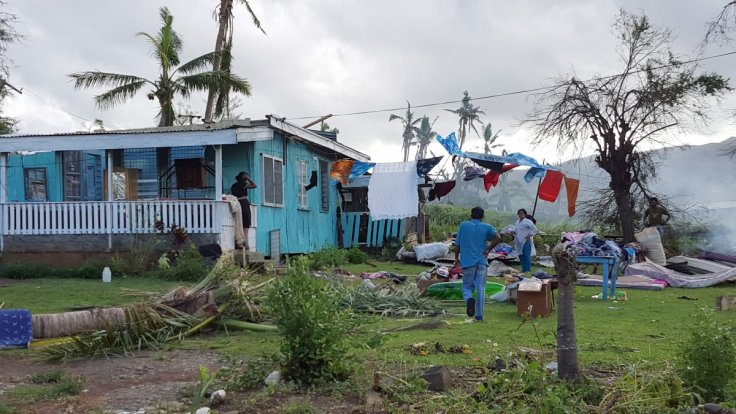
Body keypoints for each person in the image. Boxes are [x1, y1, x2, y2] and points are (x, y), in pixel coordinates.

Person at [454, 207, 501, 322]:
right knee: (481, 287)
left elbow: (457, 245)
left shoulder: (464, 225)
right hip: (481, 261)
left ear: (471, 215)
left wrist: (456, 258)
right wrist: (488, 250)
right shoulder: (486, 227)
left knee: (467, 286)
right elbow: (498, 237)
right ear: (482, 216)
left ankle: (469, 299)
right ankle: (479, 316)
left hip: (467, 262)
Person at [230, 172, 257, 246]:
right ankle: (244, 239)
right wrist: (248, 178)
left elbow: (231, 193)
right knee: (246, 220)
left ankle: (239, 240)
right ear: (244, 177)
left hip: (236, 202)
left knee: (238, 220)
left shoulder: (234, 185)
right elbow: (254, 185)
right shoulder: (243, 184)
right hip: (243, 203)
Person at [515, 209, 538, 273]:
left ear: (525, 214)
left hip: (526, 241)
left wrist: (529, 235)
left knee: (526, 255)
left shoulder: (528, 221)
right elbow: (517, 231)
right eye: (519, 213)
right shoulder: (517, 222)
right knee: (520, 255)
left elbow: (535, 229)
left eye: (522, 213)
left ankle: (528, 270)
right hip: (519, 241)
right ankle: (523, 269)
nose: (520, 215)